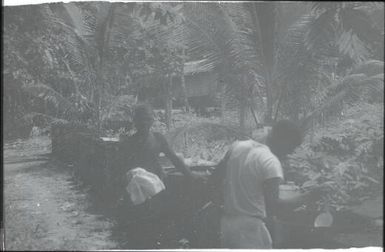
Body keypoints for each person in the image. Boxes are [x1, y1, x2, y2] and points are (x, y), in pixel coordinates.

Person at [216, 120, 328, 249]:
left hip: (226, 225)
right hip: (250, 231)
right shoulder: (271, 162)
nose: (290, 152)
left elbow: (214, 182)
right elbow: (274, 207)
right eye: (292, 147)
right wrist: (308, 197)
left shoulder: (237, 147)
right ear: (284, 141)